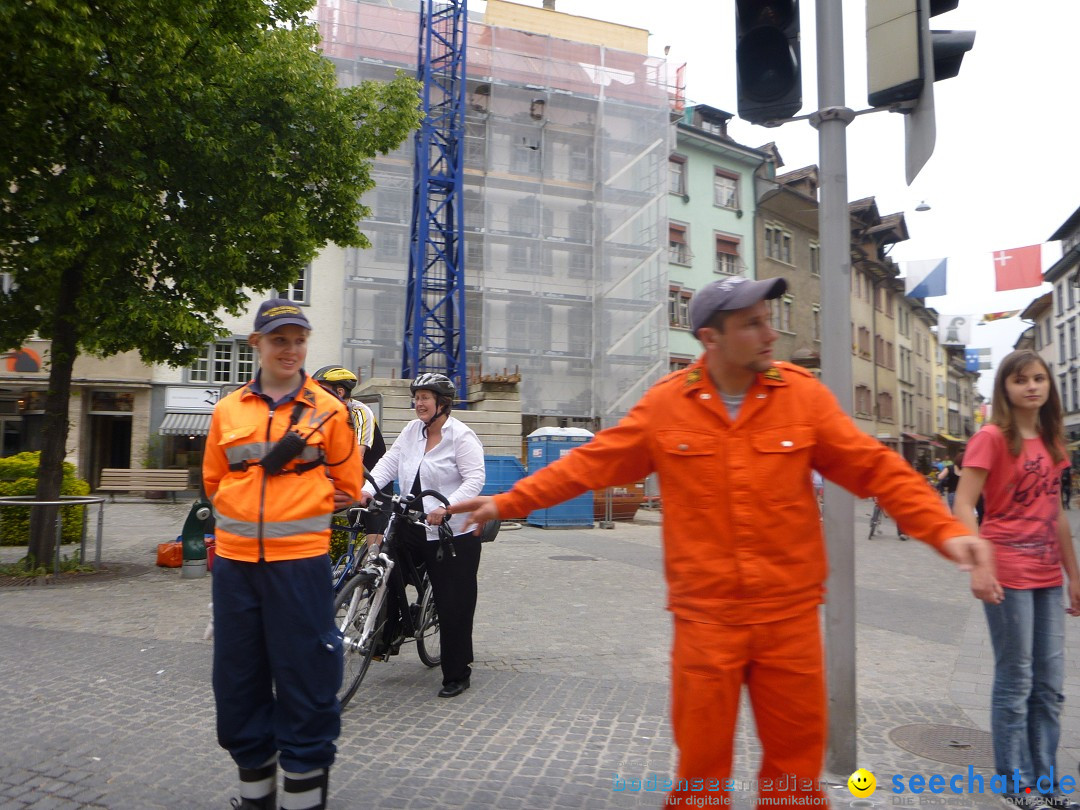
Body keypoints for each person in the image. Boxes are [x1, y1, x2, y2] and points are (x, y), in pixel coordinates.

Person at [450, 276, 993, 806]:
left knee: (794, 779)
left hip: (790, 620)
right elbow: (590, 464)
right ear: (711, 338)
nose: (770, 333)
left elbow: (878, 469)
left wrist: (947, 531)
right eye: (753, 324)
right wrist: (506, 502)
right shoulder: (667, 406)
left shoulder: (800, 397)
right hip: (706, 622)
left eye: (768, 320)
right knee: (701, 777)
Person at [203, 298, 365, 810]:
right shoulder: (228, 410)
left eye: (298, 339)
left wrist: (321, 498)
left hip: (300, 563)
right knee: (237, 677)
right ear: (257, 344)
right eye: (279, 340)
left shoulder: (329, 411)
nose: (290, 349)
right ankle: (256, 799)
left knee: (306, 676)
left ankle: (303, 800)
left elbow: (350, 481)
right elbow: (214, 481)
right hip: (234, 564)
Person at [953, 349, 1080, 809]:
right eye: (1021, 379)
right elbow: (964, 504)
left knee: (1051, 684)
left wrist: (1074, 575)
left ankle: (1046, 785)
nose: (1032, 386)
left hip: (1048, 574)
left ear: (1050, 385)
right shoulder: (991, 437)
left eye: (1039, 378)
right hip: (1007, 571)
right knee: (1016, 679)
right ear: (1004, 387)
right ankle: (1016, 784)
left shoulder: (1051, 439)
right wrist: (979, 564)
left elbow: (1057, 515)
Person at [360, 372, 485, 698]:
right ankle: (389, 633)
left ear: (442, 403)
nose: (418, 403)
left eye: (425, 397)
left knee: (452, 603)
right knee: (386, 573)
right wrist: (366, 490)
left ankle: (457, 673)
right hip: (410, 522)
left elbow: (475, 480)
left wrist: (448, 507)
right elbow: (389, 461)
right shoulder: (411, 431)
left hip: (452, 533)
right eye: (416, 397)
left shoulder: (462, 437)